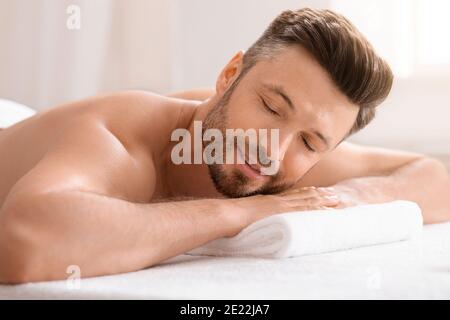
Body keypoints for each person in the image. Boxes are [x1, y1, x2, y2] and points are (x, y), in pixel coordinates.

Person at [0, 8, 448, 284]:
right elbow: (23, 242)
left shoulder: (288, 155)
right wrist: (237, 213)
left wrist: (342, 199)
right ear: (230, 73)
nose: (272, 151)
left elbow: (434, 178)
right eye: (272, 107)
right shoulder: (118, 139)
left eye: (311, 142)